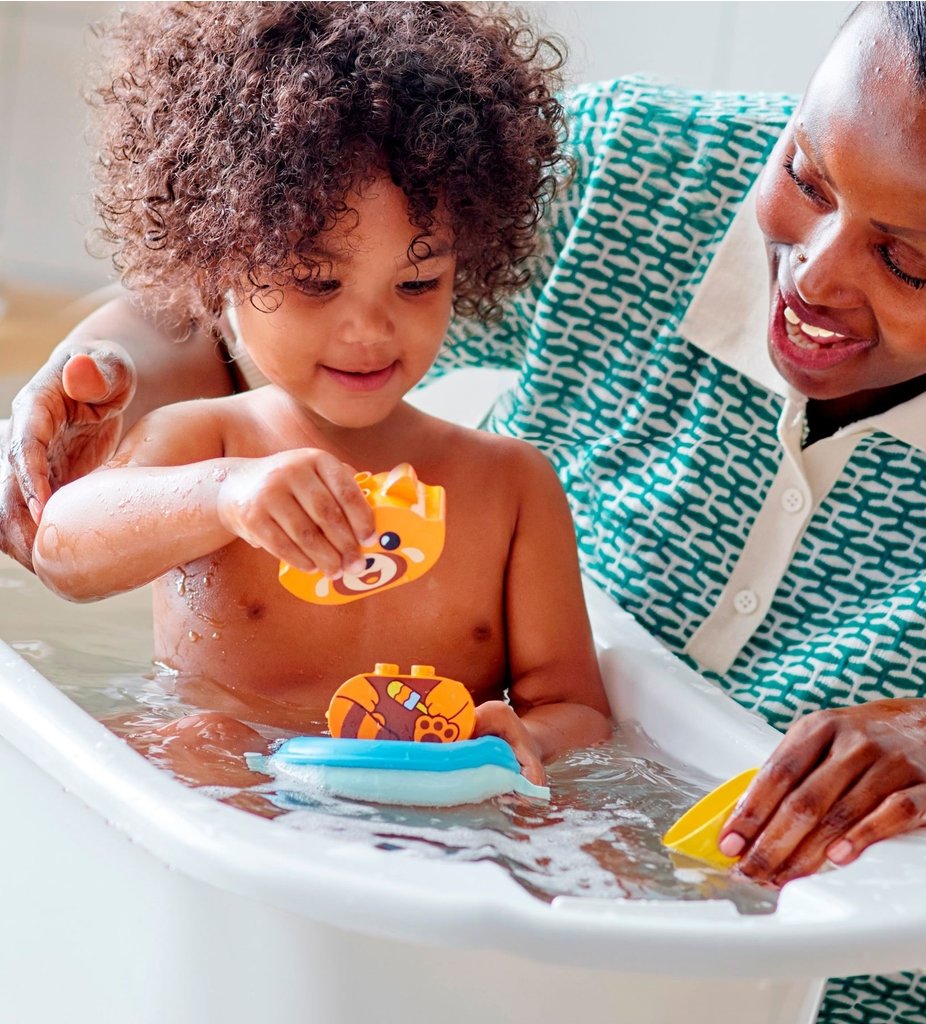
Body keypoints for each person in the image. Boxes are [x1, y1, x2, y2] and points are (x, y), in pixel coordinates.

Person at [1, 2, 926, 1022]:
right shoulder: (632, 181)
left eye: (908, 262)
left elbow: (570, 716)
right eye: (803, 174)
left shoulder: (508, 487)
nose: (818, 272)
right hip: (277, 903)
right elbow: (229, 293)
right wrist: (105, 378)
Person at [25, 1, 611, 786]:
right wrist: (223, 497)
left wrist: (519, 742)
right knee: (185, 741)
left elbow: (579, 711)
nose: (369, 329)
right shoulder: (209, 444)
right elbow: (62, 549)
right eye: (315, 281)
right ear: (219, 266)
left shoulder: (512, 486)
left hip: (435, 816)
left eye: (417, 281)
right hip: (238, 801)